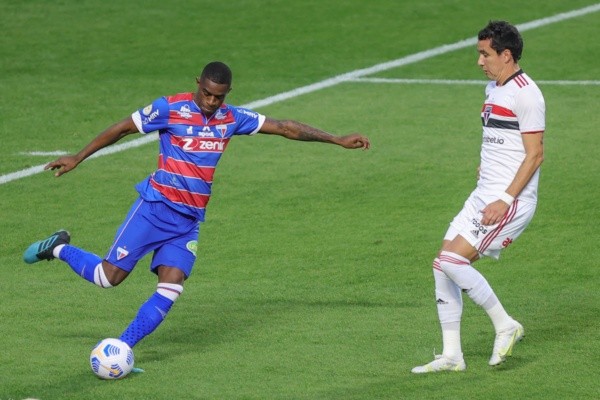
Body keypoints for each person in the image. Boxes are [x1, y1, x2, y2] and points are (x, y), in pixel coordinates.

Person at [24, 61, 370, 352]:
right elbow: (122, 129)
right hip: (154, 209)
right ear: (197, 84)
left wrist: (336, 140)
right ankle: (58, 248)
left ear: (227, 94)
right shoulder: (168, 109)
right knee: (107, 278)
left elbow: (285, 127)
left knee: (171, 287)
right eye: (206, 92)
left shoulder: (231, 118)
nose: (210, 101)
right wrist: (77, 157)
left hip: (188, 221)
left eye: (218, 96)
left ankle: (122, 348)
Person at [411, 21, 545, 373]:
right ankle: (452, 355)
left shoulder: (526, 94)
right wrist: (483, 168)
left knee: (454, 262)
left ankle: (505, 324)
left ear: (506, 54)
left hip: (508, 199)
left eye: (485, 54)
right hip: (484, 191)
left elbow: (535, 154)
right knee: (442, 263)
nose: (479, 62)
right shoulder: (493, 89)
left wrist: (504, 198)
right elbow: (499, 142)